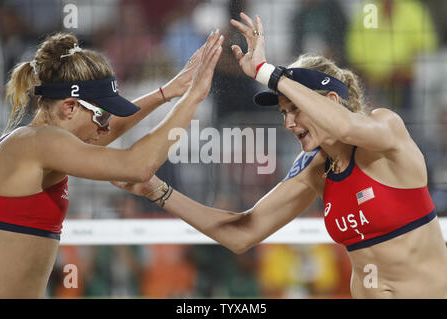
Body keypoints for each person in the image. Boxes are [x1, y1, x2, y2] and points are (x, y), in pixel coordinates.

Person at [113, 13, 447, 298]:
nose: (288, 122)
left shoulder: (386, 130)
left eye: (295, 109)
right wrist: (156, 190)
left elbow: (346, 129)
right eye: (283, 112)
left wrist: (266, 72)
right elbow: (242, 234)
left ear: (331, 100)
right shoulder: (317, 170)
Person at [0, 30, 224, 298]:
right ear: (69, 107)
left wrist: (167, 92)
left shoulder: (40, 143)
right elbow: (138, 166)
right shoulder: (41, 142)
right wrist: (194, 96)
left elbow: (103, 132)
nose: (106, 129)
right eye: (101, 116)